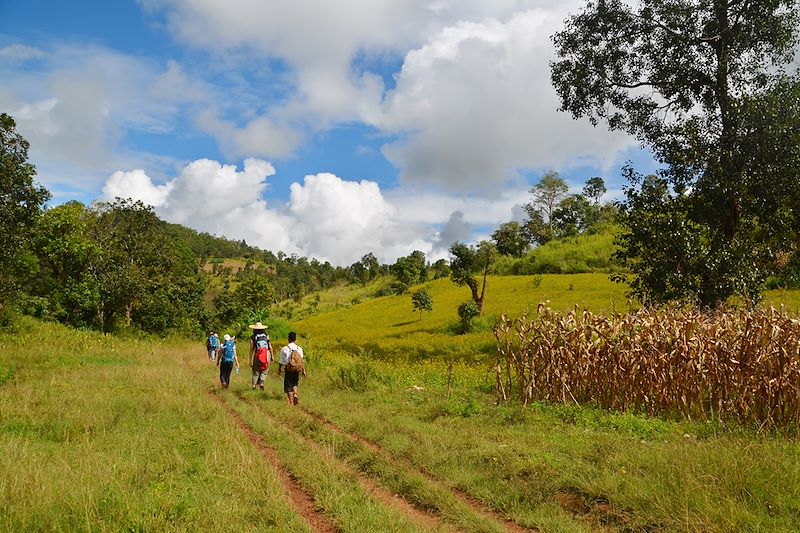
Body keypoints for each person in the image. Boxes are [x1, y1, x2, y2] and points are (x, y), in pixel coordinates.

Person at [277, 331, 305, 406]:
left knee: (288, 385)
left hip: (288, 368)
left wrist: (279, 369)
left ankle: (291, 401)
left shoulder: (285, 349)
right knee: (295, 382)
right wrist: (303, 371)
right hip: (297, 369)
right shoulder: (299, 349)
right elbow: (302, 361)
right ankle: (295, 394)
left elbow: (281, 361)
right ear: (295, 339)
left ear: (288, 339)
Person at [248, 321, 273, 390]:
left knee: (256, 371)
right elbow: (270, 347)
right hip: (266, 353)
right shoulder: (266, 336)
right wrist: (272, 356)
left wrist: (250, 360)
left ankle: (254, 385)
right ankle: (261, 383)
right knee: (265, 370)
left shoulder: (253, 337)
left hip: (257, 354)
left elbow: (251, 349)